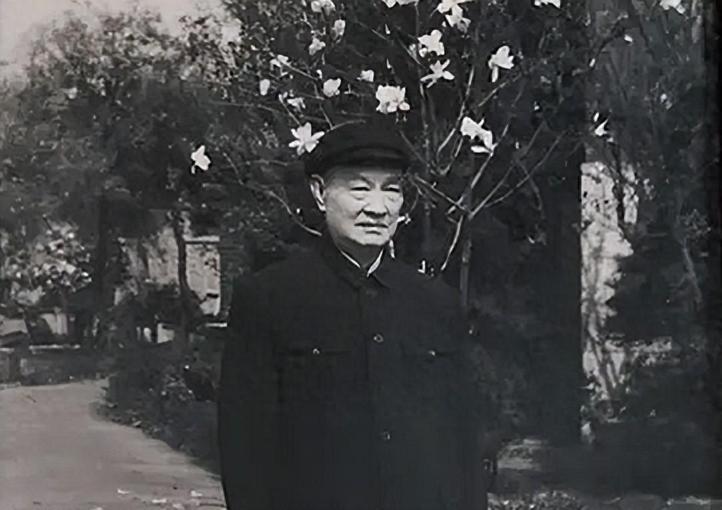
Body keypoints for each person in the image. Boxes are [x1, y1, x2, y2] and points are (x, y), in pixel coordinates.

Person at [218, 121, 496, 510]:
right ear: (320, 193)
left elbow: (464, 448)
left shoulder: (437, 304)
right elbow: (244, 452)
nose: (378, 208)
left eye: (392, 190)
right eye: (360, 189)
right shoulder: (268, 299)